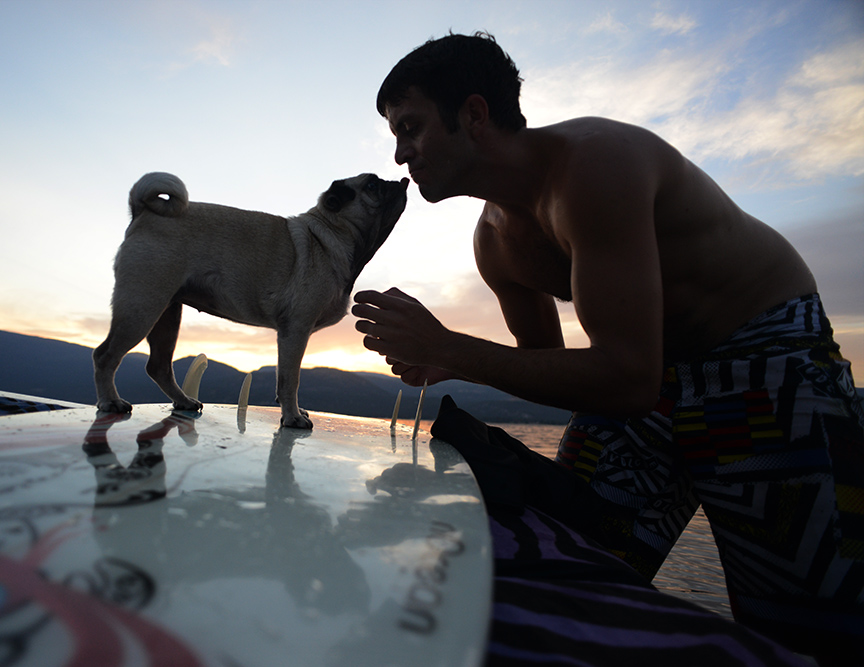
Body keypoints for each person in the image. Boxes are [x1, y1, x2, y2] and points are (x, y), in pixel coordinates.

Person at [353, 32, 863, 663]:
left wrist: (453, 345)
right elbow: (549, 364)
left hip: (770, 363)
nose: (401, 154)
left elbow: (625, 380)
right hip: (648, 383)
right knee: (560, 556)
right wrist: (448, 357)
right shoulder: (493, 242)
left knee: (810, 631)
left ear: (475, 114)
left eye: (411, 127)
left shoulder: (595, 166)